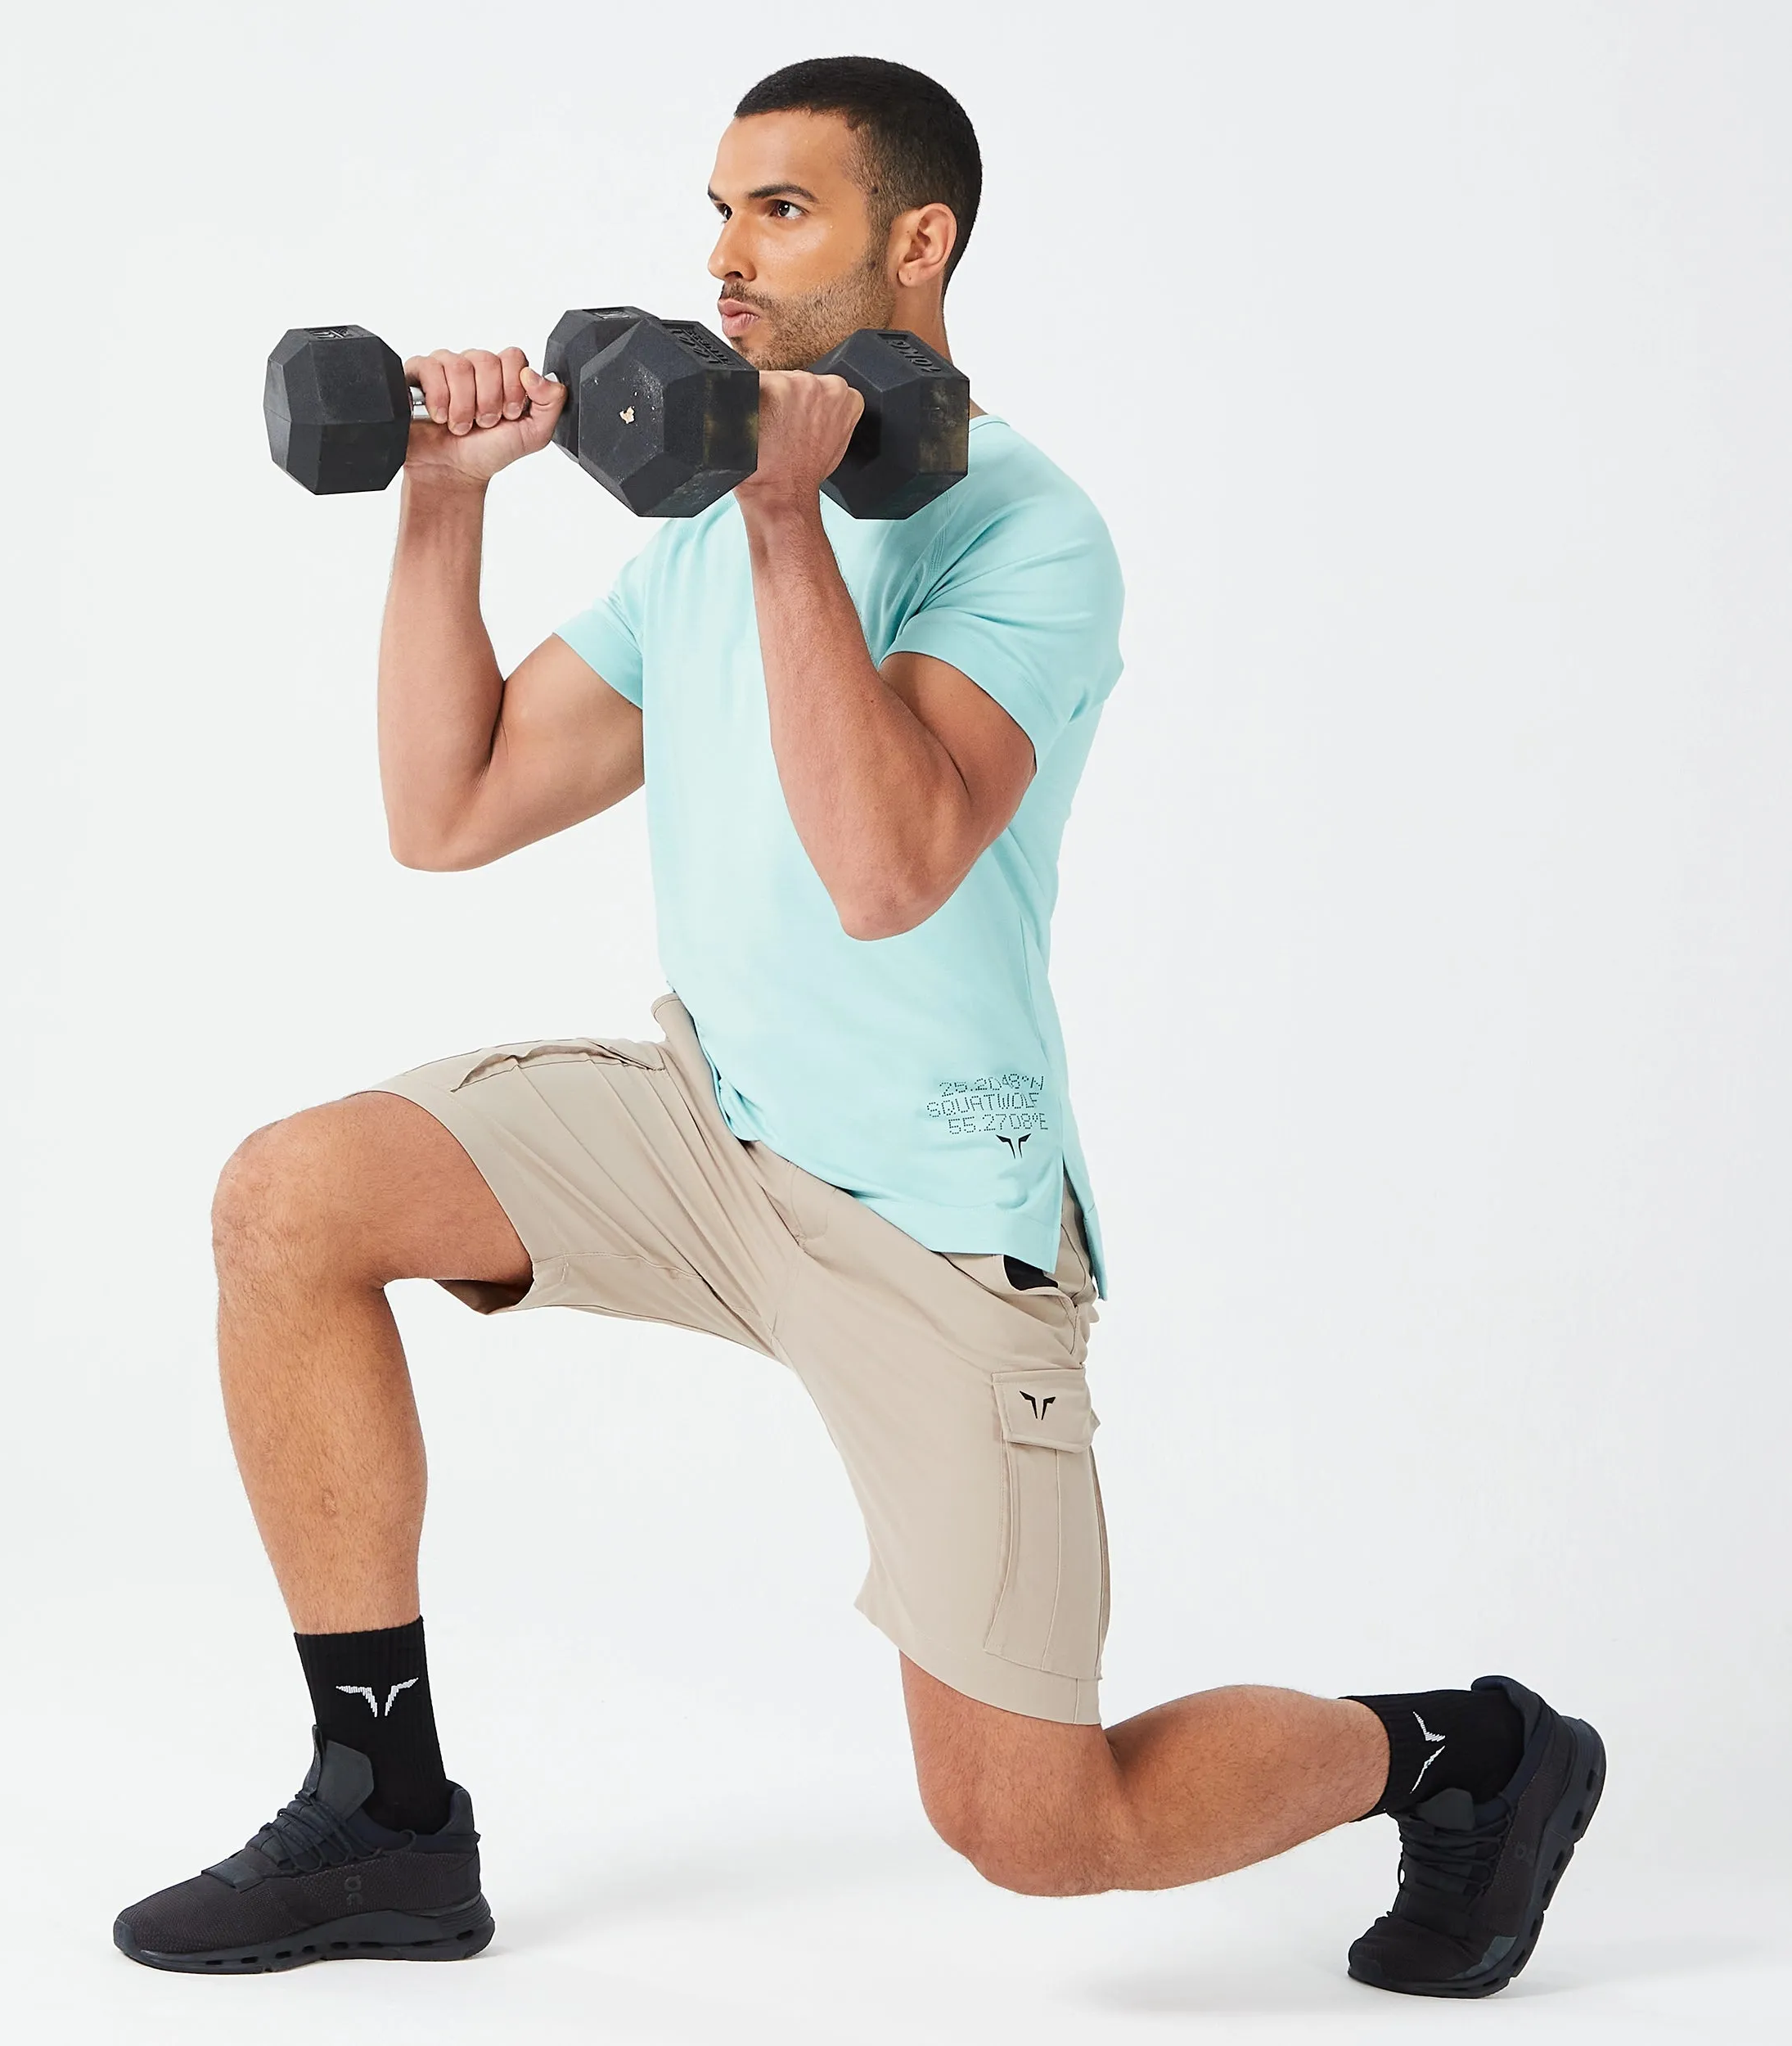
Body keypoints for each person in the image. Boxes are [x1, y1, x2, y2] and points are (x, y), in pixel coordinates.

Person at [113, 55, 1603, 1999]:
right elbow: (449, 807)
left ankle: (1467, 1755)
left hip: (924, 1208)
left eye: (779, 211)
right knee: (291, 1197)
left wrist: (781, 520)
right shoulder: (697, 521)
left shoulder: (1028, 536)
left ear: (921, 240)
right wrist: (442, 503)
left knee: (1038, 1824)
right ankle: (386, 1812)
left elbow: (885, 867)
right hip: (705, 1129)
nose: (721, 256)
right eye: (718, 208)